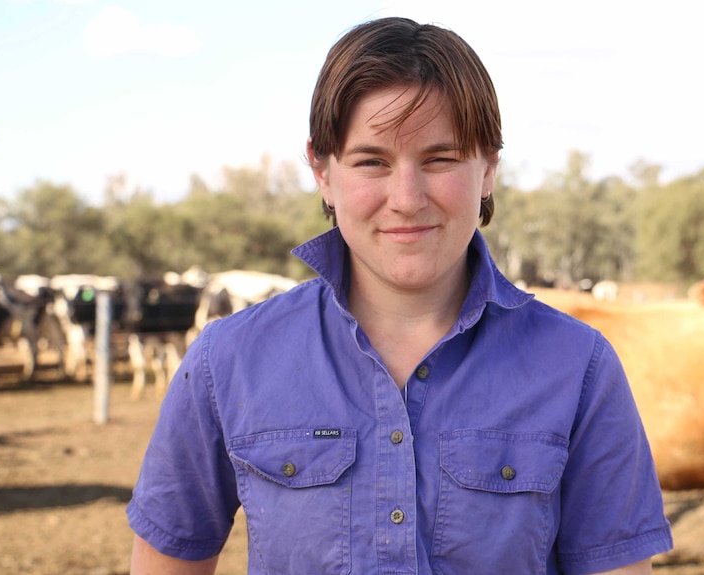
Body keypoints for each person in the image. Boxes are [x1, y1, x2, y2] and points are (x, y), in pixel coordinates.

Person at [126, 16, 673, 575]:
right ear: (321, 170)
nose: (407, 199)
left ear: (488, 169)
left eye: (440, 159)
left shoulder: (578, 366)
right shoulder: (227, 360)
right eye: (371, 162)